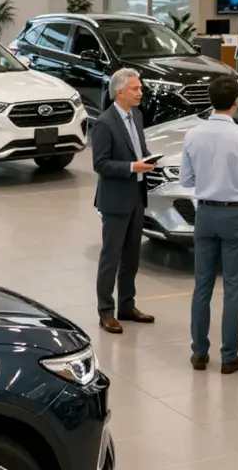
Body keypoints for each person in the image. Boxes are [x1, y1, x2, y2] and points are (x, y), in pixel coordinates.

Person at [180, 75, 238, 375]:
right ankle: (229, 356)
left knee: (202, 285)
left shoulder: (193, 135)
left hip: (204, 213)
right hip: (234, 215)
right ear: (236, 102)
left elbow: (186, 180)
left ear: (210, 100)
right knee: (233, 288)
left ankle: (199, 353)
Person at [93, 68, 157, 335]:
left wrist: (149, 160)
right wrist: (132, 167)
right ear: (119, 92)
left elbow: (138, 149)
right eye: (135, 88)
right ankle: (106, 311)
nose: (140, 92)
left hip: (137, 197)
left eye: (140, 88)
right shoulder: (104, 123)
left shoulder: (137, 116)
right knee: (111, 257)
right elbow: (100, 164)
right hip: (115, 200)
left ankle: (127, 305)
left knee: (132, 256)